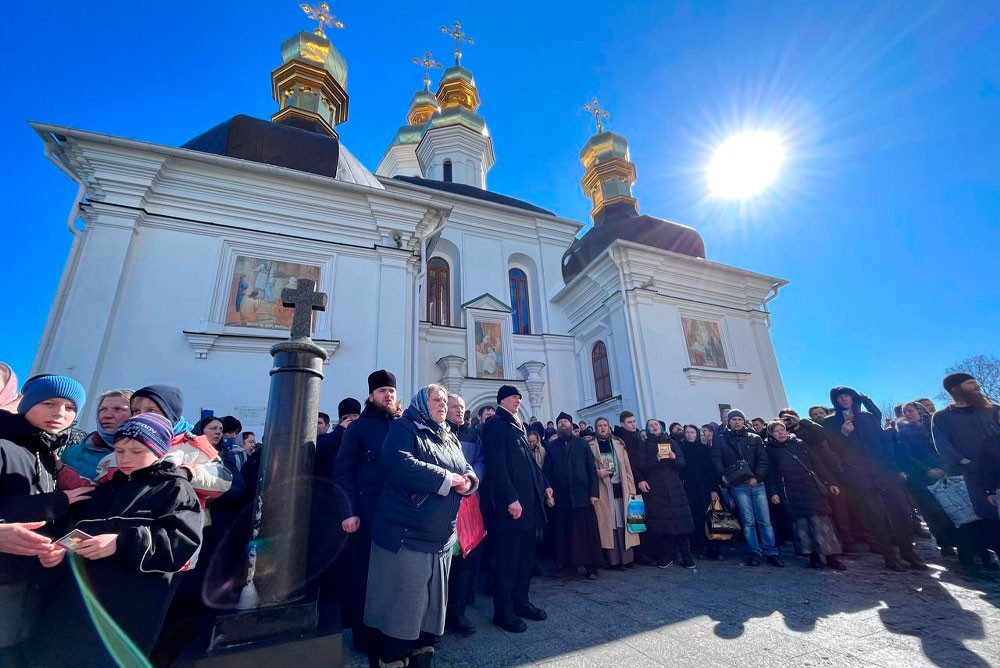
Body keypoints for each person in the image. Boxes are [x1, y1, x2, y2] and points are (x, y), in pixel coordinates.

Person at [40, 413, 204, 658]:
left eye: (137, 451)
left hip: (132, 606)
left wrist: (121, 542)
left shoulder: (175, 489)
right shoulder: (104, 490)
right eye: (119, 450)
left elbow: (182, 545)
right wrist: (57, 549)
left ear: (159, 450)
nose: (126, 458)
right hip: (79, 605)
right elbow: (75, 530)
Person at [364, 385, 477, 668]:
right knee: (401, 607)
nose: (443, 405)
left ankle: (421, 657)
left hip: (440, 538)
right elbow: (398, 462)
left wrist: (468, 483)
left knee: (429, 609)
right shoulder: (405, 427)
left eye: (445, 401)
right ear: (422, 404)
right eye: (437, 400)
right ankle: (390, 659)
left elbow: (466, 468)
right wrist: (447, 479)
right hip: (406, 534)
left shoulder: (448, 434)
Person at [0, 375, 92, 660]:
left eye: (69, 407)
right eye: (49, 403)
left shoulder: (48, 454)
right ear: (26, 403)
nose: (59, 413)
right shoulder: (3, 445)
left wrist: (55, 546)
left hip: (22, 581)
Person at [822, 386, 926, 571]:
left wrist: (894, 466)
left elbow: (882, 441)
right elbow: (834, 448)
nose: (844, 400)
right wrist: (844, 434)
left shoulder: (868, 417)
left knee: (901, 511)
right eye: (839, 398)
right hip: (857, 472)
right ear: (835, 401)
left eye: (847, 396)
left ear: (854, 398)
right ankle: (889, 556)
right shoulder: (830, 422)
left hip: (882, 469)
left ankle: (908, 552)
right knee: (874, 515)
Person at [334, 370, 399, 662]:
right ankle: (363, 634)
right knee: (365, 578)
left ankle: (391, 631)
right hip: (367, 516)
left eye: (392, 391)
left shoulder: (402, 426)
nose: (388, 395)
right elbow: (344, 471)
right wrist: (349, 511)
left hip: (398, 515)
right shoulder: (357, 428)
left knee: (393, 577)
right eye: (382, 390)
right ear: (371, 395)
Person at [482, 385, 551, 633]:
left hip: (529, 507)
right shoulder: (495, 425)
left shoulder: (517, 425)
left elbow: (530, 465)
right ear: (502, 399)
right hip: (511, 508)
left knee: (525, 561)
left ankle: (522, 602)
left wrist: (545, 486)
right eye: (514, 397)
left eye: (520, 398)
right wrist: (510, 498)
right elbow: (497, 467)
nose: (518, 401)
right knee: (508, 562)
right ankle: (503, 611)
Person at [895, 402, 974, 564]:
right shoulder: (903, 433)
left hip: (947, 471)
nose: (907, 414)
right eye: (905, 412)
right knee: (935, 512)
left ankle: (968, 545)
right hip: (922, 476)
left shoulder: (934, 427)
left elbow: (945, 448)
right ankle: (945, 542)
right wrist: (926, 469)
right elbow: (908, 455)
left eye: (910, 410)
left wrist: (945, 466)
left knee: (957, 508)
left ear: (920, 411)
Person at [931, 373, 1000, 556]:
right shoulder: (943, 417)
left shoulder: (992, 409)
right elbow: (943, 445)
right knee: (991, 521)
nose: (976, 386)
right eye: (970, 383)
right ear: (955, 389)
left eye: (976, 382)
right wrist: (965, 462)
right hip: (975, 476)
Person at [764, 420, 845, 570]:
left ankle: (831, 557)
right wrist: (774, 492)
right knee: (801, 526)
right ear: (771, 434)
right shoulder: (770, 450)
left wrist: (831, 482)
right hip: (790, 491)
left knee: (821, 523)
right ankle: (813, 557)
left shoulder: (800, 444)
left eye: (782, 429)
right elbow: (771, 474)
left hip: (810, 488)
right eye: (776, 431)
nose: (780, 433)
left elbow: (817, 464)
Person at [712, 409, 783, 567]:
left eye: (739, 419)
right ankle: (754, 551)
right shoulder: (721, 439)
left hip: (757, 484)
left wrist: (756, 478)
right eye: (733, 419)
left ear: (744, 421)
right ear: (728, 422)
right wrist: (722, 474)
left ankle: (771, 551)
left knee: (764, 520)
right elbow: (717, 459)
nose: (736, 422)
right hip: (737, 484)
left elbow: (763, 460)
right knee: (748, 520)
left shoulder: (755, 438)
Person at [778, 408, 852, 551]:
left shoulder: (808, 429)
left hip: (825, 471)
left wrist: (801, 422)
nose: (788, 421)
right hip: (806, 479)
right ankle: (826, 544)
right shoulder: (786, 438)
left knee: (838, 508)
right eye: (783, 419)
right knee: (820, 513)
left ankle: (845, 541)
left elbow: (820, 434)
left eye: (790, 417)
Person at [444, 393, 486, 636]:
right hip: (444, 506)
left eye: (462, 407)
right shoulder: (437, 433)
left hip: (468, 504)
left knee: (464, 564)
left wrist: (472, 478)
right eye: (454, 407)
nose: (460, 411)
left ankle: (457, 613)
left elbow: (481, 461)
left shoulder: (472, 435)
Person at [544, 412, 602, 579]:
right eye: (560, 422)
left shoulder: (582, 445)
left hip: (582, 496)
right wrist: (549, 490)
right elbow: (547, 471)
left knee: (587, 533)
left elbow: (591, 469)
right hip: (561, 498)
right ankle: (567, 566)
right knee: (564, 534)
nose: (563, 424)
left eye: (566, 421)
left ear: (571, 425)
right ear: (557, 426)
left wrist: (594, 492)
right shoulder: (552, 447)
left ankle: (591, 567)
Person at [640, 419, 695, 569]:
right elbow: (642, 467)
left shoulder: (671, 442)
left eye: (656, 425)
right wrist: (655, 460)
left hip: (674, 485)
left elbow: (682, 464)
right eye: (650, 426)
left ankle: (686, 555)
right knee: (663, 523)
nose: (654, 427)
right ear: (647, 429)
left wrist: (674, 458)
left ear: (661, 428)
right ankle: (668, 555)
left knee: (681, 520)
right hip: (656, 487)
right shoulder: (645, 445)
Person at [58, 389, 134, 489]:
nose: (107, 415)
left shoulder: (145, 455)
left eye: (118, 409)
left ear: (136, 413)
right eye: (102, 409)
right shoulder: (75, 451)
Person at [590, 417, 639, 568]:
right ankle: (614, 560)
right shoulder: (591, 445)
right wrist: (598, 473)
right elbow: (589, 467)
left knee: (624, 521)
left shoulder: (618, 443)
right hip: (604, 487)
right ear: (595, 428)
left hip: (621, 485)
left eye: (605, 425)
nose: (603, 428)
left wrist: (631, 488)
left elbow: (627, 467)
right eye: (599, 426)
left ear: (609, 427)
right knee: (608, 523)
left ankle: (627, 559)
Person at [680, 424, 722, 560]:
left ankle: (714, 546)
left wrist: (714, 489)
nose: (689, 435)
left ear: (696, 434)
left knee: (711, 518)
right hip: (691, 489)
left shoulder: (704, 449)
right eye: (687, 433)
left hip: (705, 488)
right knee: (697, 518)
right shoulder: (682, 450)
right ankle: (701, 546)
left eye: (692, 432)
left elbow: (711, 471)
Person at [316, 397, 362, 482]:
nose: (351, 419)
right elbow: (321, 447)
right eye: (347, 417)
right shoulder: (332, 438)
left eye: (355, 416)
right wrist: (341, 430)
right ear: (341, 419)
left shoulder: (363, 437)